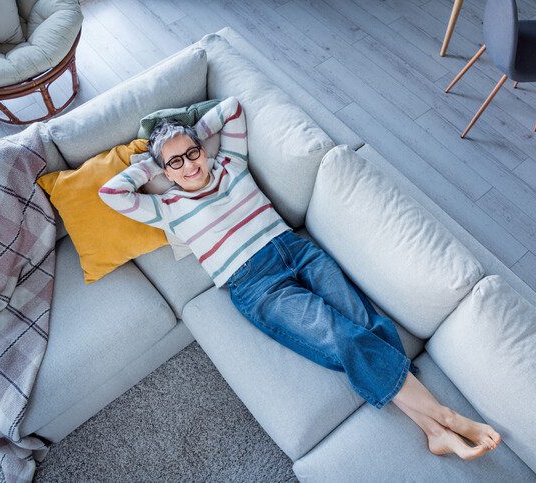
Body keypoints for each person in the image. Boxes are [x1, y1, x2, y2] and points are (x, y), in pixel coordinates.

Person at [98, 97, 502, 459]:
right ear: (164, 172)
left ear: (203, 149)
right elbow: (111, 193)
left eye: (192, 153)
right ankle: (448, 418)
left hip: (296, 249)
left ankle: (433, 430)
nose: (189, 165)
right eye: (176, 163)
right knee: (341, 335)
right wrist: (156, 158)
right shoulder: (166, 206)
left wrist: (185, 139)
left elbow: (232, 108)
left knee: (367, 323)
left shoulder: (231, 164)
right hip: (254, 284)